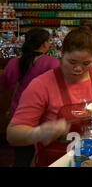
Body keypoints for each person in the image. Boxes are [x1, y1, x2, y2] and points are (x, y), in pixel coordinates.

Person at [7, 26, 92, 167]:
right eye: (72, 62)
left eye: (86, 63)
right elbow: (13, 133)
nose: (78, 68)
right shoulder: (41, 85)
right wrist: (37, 133)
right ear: (61, 54)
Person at [0, 28, 60, 167]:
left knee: (21, 159)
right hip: (43, 120)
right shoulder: (51, 63)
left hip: (18, 119)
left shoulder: (13, 62)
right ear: (45, 44)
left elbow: (3, 86)